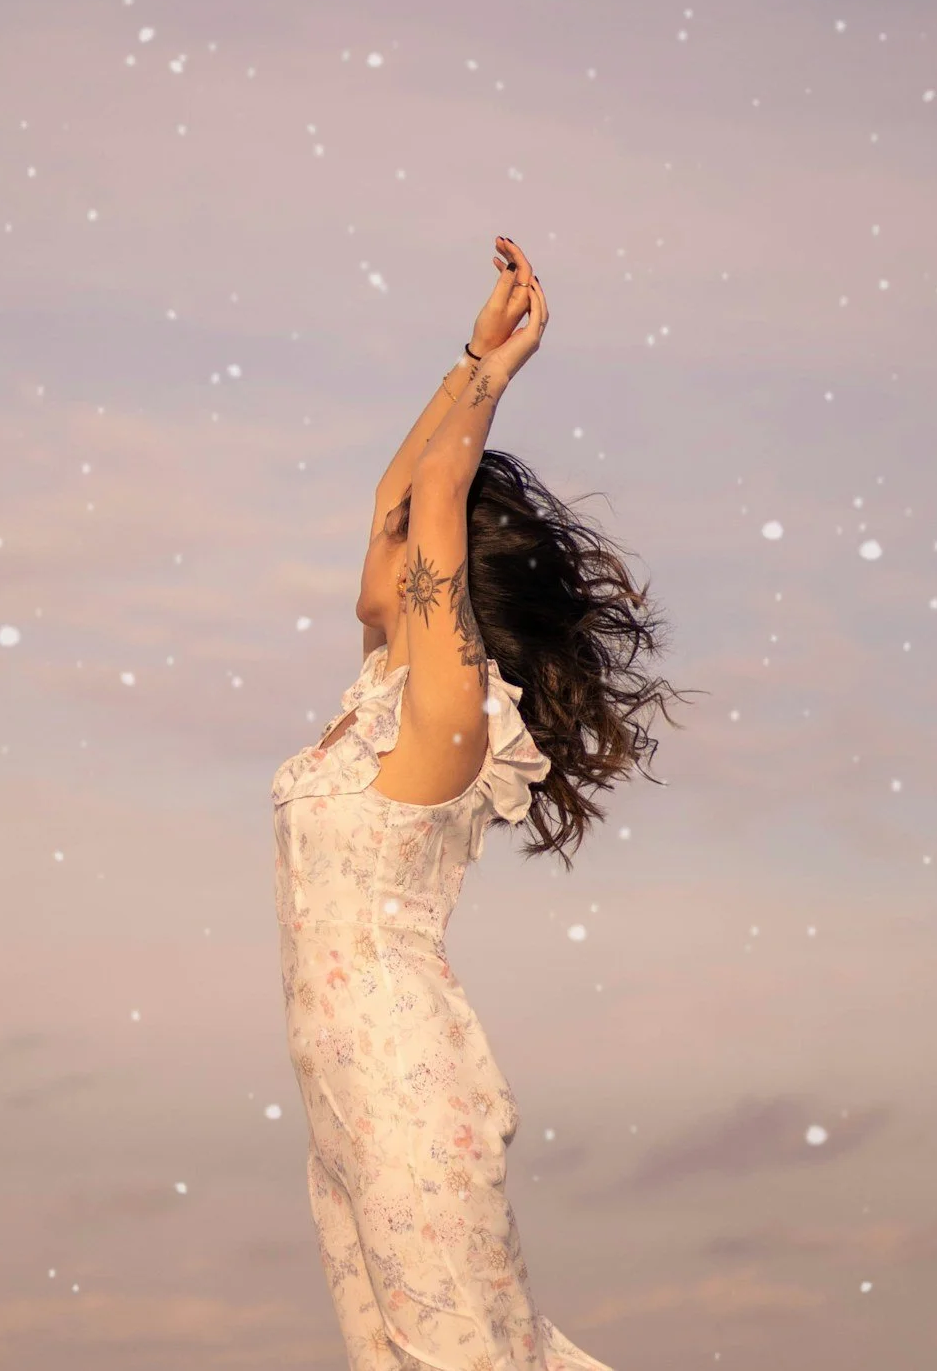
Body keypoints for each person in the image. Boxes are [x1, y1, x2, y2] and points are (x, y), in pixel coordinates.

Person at [271, 236, 688, 1369]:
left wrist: (501, 374)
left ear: (442, 578)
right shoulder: (383, 687)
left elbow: (436, 492)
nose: (387, 530)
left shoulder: (452, 715)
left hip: (407, 1092)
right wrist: (466, 353)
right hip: (346, 1106)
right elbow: (398, 491)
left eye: (407, 541)